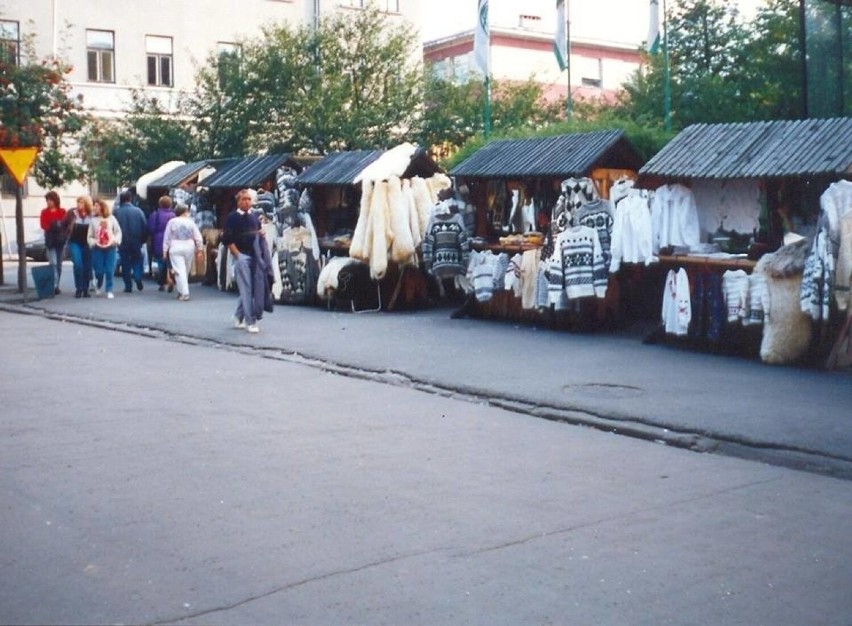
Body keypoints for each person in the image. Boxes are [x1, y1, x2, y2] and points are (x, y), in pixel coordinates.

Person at [220, 189, 263, 333]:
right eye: (244, 199)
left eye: (249, 199)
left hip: (254, 255)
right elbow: (227, 239)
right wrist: (237, 255)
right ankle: (250, 321)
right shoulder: (233, 217)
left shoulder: (254, 216)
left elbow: (258, 231)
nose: (247, 202)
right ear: (238, 201)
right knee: (246, 289)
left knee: (250, 288)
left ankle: (239, 316)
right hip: (242, 255)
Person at [162, 203, 203, 301]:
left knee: (179, 270)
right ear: (186, 212)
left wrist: (164, 250)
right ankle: (183, 291)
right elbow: (197, 235)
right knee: (186, 269)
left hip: (175, 246)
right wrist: (200, 248)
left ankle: (183, 292)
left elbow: (167, 237)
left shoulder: (172, 222)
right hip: (189, 246)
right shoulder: (191, 222)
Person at [113, 190, 149, 293]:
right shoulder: (138, 211)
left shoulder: (116, 212)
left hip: (122, 241)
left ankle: (128, 285)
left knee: (125, 263)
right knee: (137, 259)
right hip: (136, 240)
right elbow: (144, 226)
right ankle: (137, 276)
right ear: (130, 199)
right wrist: (143, 240)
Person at [88, 198, 122, 299]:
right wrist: (93, 242)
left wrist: (115, 241)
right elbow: (90, 235)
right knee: (99, 270)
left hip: (110, 247)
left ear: (102, 207)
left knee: (109, 269)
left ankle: (109, 289)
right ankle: (98, 283)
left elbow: (118, 232)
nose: (95, 207)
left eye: (97, 205)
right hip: (97, 248)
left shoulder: (112, 219)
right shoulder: (93, 221)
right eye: (94, 205)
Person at [62, 195, 94, 298]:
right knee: (78, 264)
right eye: (78, 202)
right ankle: (79, 288)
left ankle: (86, 289)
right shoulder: (72, 213)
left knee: (87, 266)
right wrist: (65, 235)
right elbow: (63, 224)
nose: (79, 205)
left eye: (81, 202)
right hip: (74, 242)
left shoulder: (92, 215)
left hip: (87, 243)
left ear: (86, 204)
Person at [40, 190, 67, 295]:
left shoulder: (62, 211)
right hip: (50, 240)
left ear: (55, 201)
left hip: (60, 240)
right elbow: (44, 225)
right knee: (53, 263)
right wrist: (53, 225)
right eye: (47, 200)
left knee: (59, 264)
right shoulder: (44, 212)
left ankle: (57, 284)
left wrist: (58, 227)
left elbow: (65, 223)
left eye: (50, 200)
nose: (48, 202)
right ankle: (54, 285)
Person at [148, 195, 175, 292]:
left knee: (161, 262)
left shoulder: (155, 214)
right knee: (171, 261)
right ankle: (171, 277)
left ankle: (162, 282)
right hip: (172, 240)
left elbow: (151, 228)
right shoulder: (173, 215)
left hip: (159, 240)